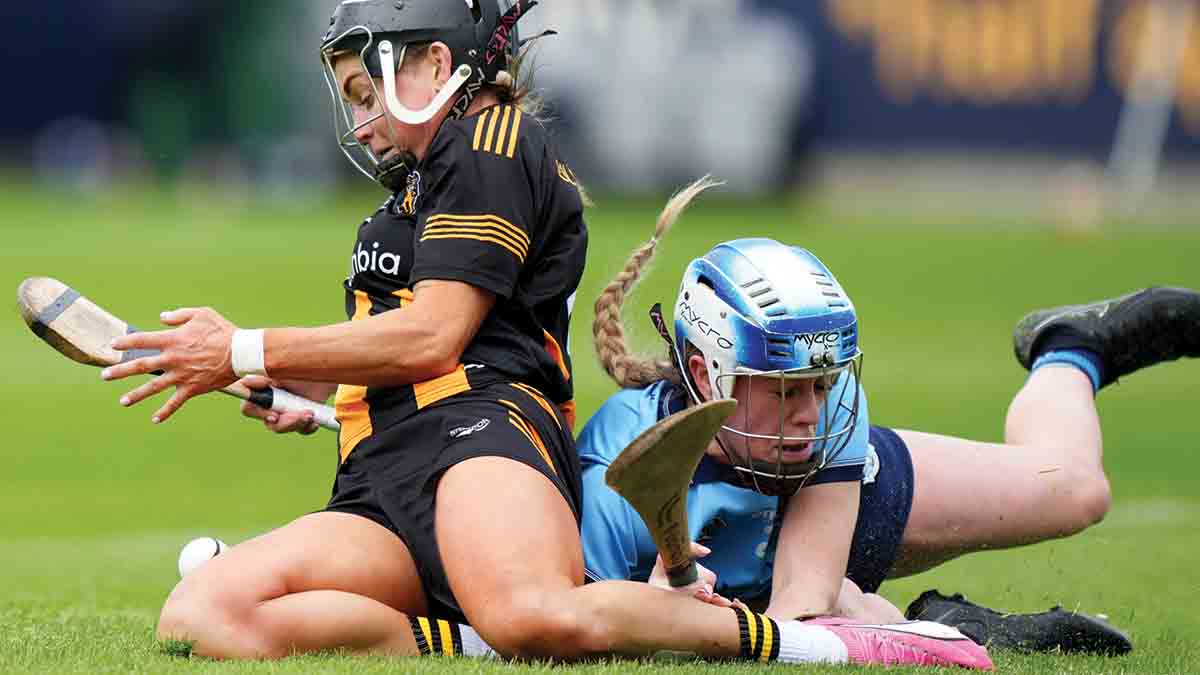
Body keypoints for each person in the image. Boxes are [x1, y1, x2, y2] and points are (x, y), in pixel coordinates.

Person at [100, 0, 991, 668]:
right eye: (351, 100)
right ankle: (470, 641)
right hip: (380, 470)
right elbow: (398, 348)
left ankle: (828, 644)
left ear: (435, 63)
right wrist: (307, 389)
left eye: (368, 92)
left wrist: (244, 348)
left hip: (480, 438)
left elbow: (435, 338)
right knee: (204, 611)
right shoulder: (417, 188)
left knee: (537, 613)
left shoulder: (490, 140)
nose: (361, 121)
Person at [582, 181, 1200, 654]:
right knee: (851, 612)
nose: (812, 414)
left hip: (848, 512)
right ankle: (952, 625)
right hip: (764, 570)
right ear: (704, 372)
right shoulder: (616, 464)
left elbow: (802, 610)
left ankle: (1069, 348)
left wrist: (686, 627)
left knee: (1077, 489)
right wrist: (654, 610)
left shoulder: (827, 416)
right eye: (785, 391)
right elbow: (583, 623)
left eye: (822, 384)